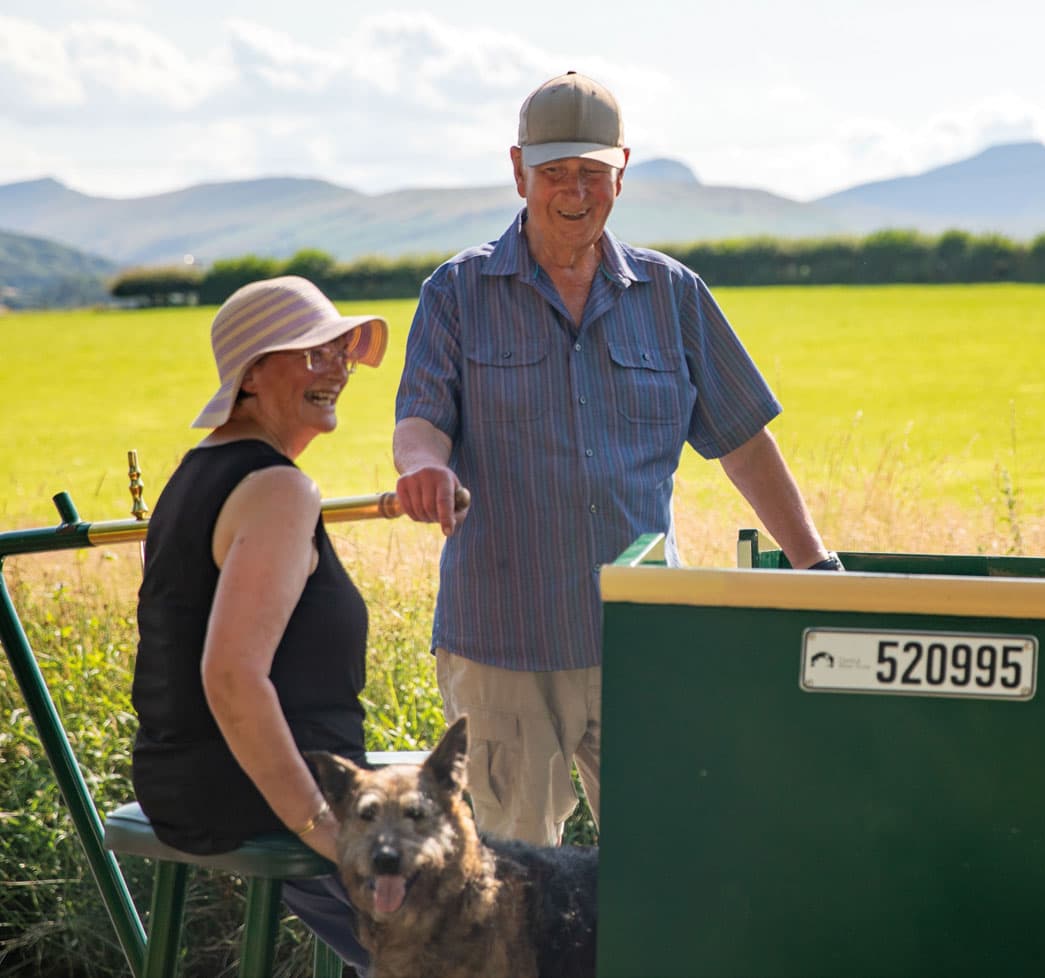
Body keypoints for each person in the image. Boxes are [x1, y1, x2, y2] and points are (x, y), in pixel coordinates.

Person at [393, 71, 843, 848]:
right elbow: (420, 422)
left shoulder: (673, 295)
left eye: (592, 173)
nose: (575, 192)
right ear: (518, 170)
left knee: (668, 861)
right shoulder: (456, 293)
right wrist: (422, 467)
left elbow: (744, 442)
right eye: (556, 173)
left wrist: (815, 567)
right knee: (511, 880)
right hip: (502, 645)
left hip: (638, 643)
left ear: (622, 173)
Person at [130, 275, 389, 973]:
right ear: (250, 378)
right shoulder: (280, 489)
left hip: (187, 779)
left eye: (340, 351)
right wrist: (323, 827)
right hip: (257, 788)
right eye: (312, 353)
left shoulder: (195, 472)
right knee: (496, 922)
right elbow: (231, 676)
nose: (337, 367)